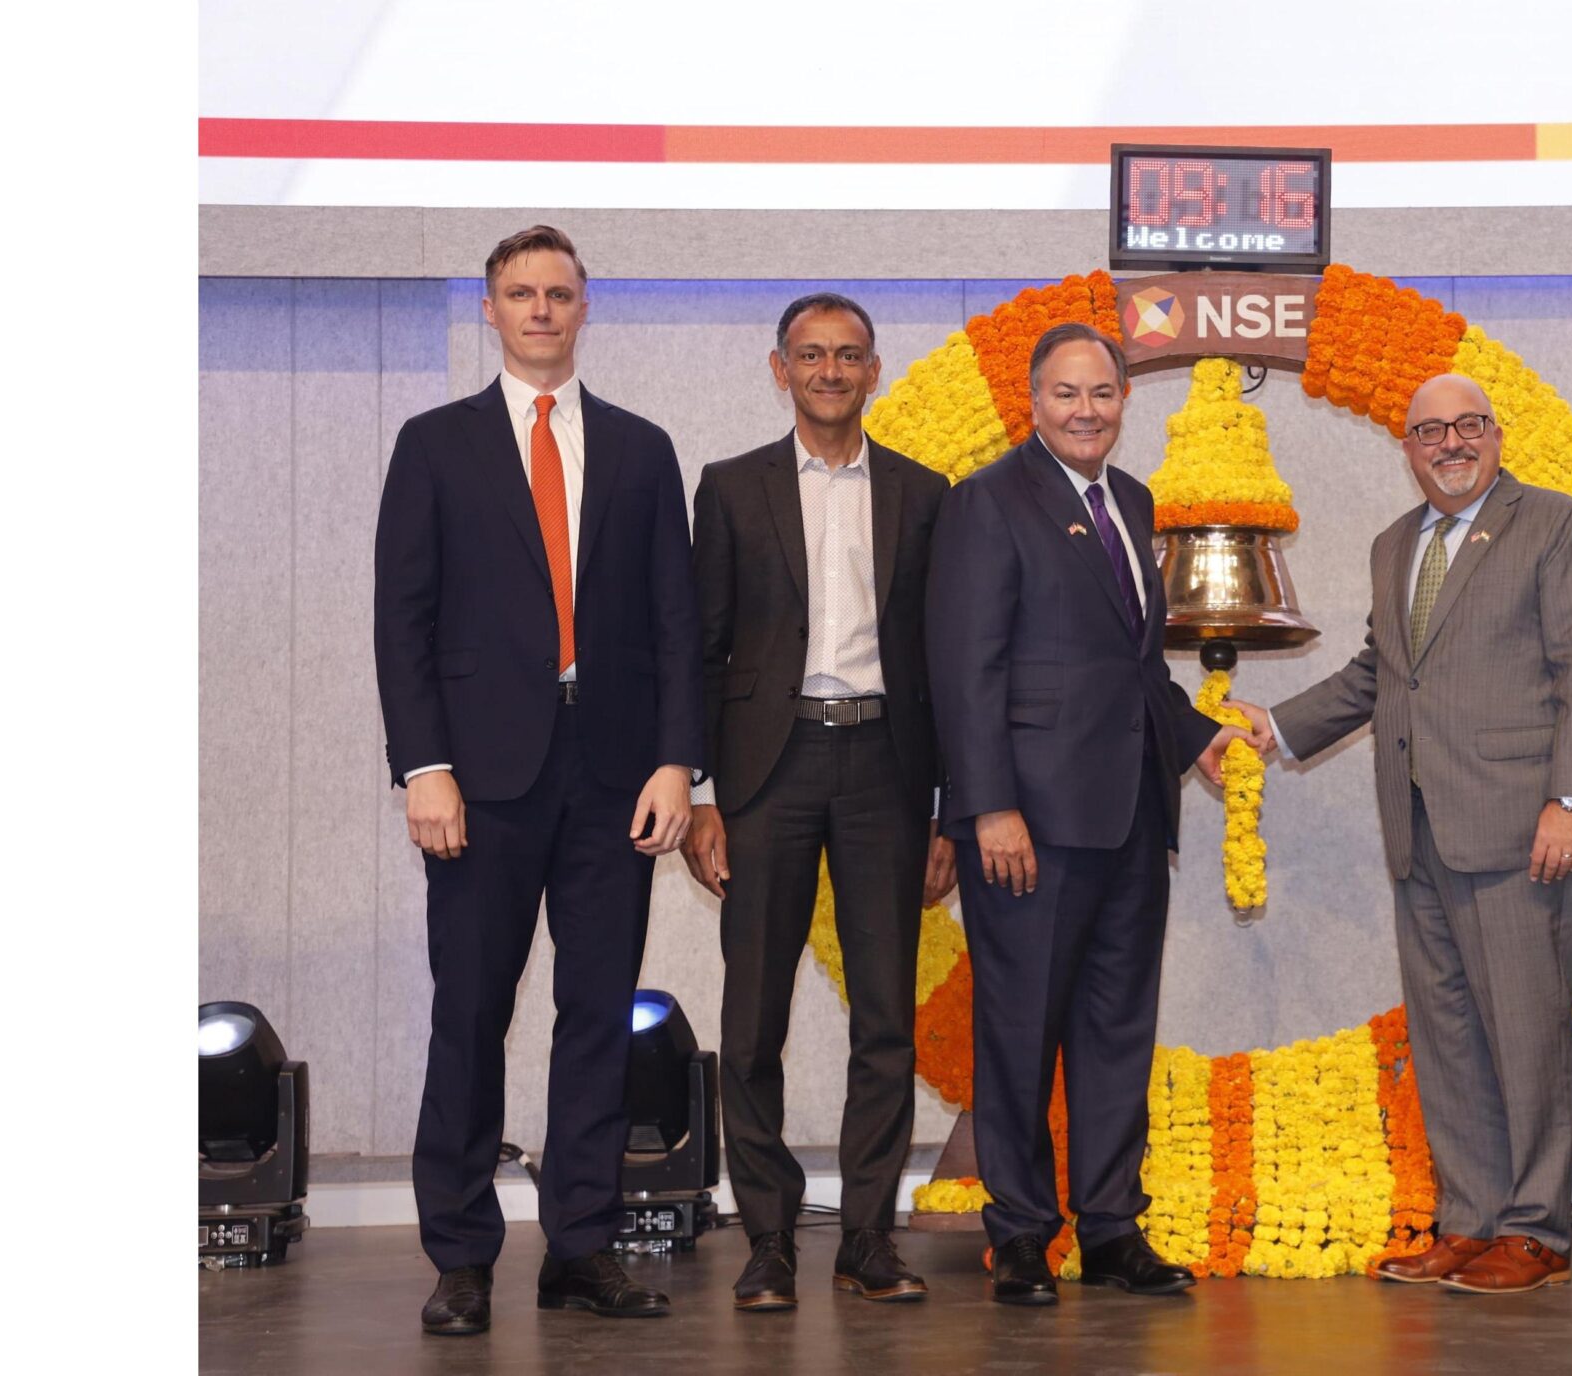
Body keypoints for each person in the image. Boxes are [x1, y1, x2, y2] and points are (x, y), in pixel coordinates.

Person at [375, 225, 705, 1334]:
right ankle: (461, 1256)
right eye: (520, 293)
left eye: (559, 293)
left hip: (616, 777)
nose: (541, 310)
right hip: (481, 780)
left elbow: (674, 621)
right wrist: (425, 768)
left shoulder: (642, 447)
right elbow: (402, 622)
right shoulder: (434, 444)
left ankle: (580, 1247)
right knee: (469, 1013)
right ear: (489, 309)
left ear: (584, 307)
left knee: (597, 1017)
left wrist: (677, 761)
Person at [1235, 372, 1572, 1296]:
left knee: (1527, 1033)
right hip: (1418, 827)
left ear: (1496, 434)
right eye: (1428, 432)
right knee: (1450, 1037)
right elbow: (1385, 672)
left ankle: (1535, 1232)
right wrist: (1276, 728)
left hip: (1525, 827)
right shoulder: (1395, 543)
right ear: (1406, 449)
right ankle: (1470, 1221)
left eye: (1466, 427)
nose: (1450, 443)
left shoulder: (1558, 523)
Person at [924, 322, 1242, 1306]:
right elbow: (963, 669)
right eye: (1066, 394)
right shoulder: (985, 502)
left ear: (1122, 400)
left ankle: (1111, 1229)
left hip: (1131, 817)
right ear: (1033, 399)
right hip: (1028, 824)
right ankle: (1019, 1231)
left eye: (1101, 393)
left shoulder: (1131, 499)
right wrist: (986, 808)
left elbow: (1132, 665)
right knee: (1019, 1029)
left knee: (1115, 1030)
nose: (1085, 410)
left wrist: (1200, 741)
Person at [684, 293, 959, 1312]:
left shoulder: (926, 495)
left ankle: (868, 1240)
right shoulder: (729, 488)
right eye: (812, 355)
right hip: (766, 775)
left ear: (874, 370)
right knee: (753, 1021)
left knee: (885, 1021)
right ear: (780, 368)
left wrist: (951, 809)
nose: (830, 371)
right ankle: (765, 1239)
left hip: (888, 770)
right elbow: (697, 651)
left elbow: (948, 666)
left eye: (848, 356)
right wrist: (701, 791)